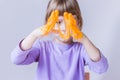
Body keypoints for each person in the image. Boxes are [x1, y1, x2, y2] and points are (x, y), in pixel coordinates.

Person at [11, 0, 108, 80]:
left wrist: (84, 39)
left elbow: (101, 68)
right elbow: (16, 59)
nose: (64, 27)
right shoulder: (42, 47)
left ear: (78, 21)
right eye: (58, 21)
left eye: (70, 21)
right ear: (49, 22)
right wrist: (34, 35)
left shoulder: (81, 50)